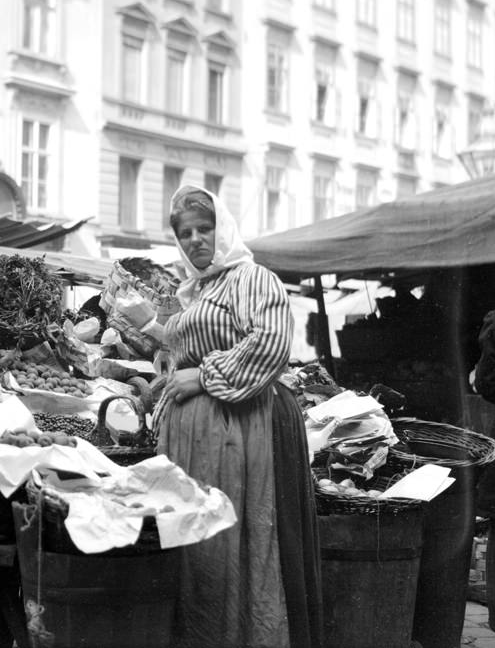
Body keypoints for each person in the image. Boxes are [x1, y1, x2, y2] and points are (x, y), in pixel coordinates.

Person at [154, 185, 323, 648]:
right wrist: (169, 374)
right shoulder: (195, 289)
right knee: (200, 544)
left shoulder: (252, 278)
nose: (195, 240)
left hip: (240, 428)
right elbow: (186, 349)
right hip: (196, 434)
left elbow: (270, 344)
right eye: (185, 233)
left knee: (240, 534)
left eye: (204, 229)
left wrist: (203, 379)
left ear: (221, 227)